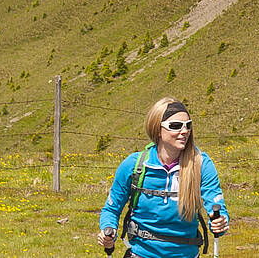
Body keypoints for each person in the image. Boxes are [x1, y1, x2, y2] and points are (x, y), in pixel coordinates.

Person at [98, 98, 229, 257]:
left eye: (188, 125)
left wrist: (220, 222)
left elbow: (217, 206)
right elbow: (111, 209)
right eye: (175, 126)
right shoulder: (133, 165)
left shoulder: (201, 164)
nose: (185, 131)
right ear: (158, 130)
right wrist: (108, 229)